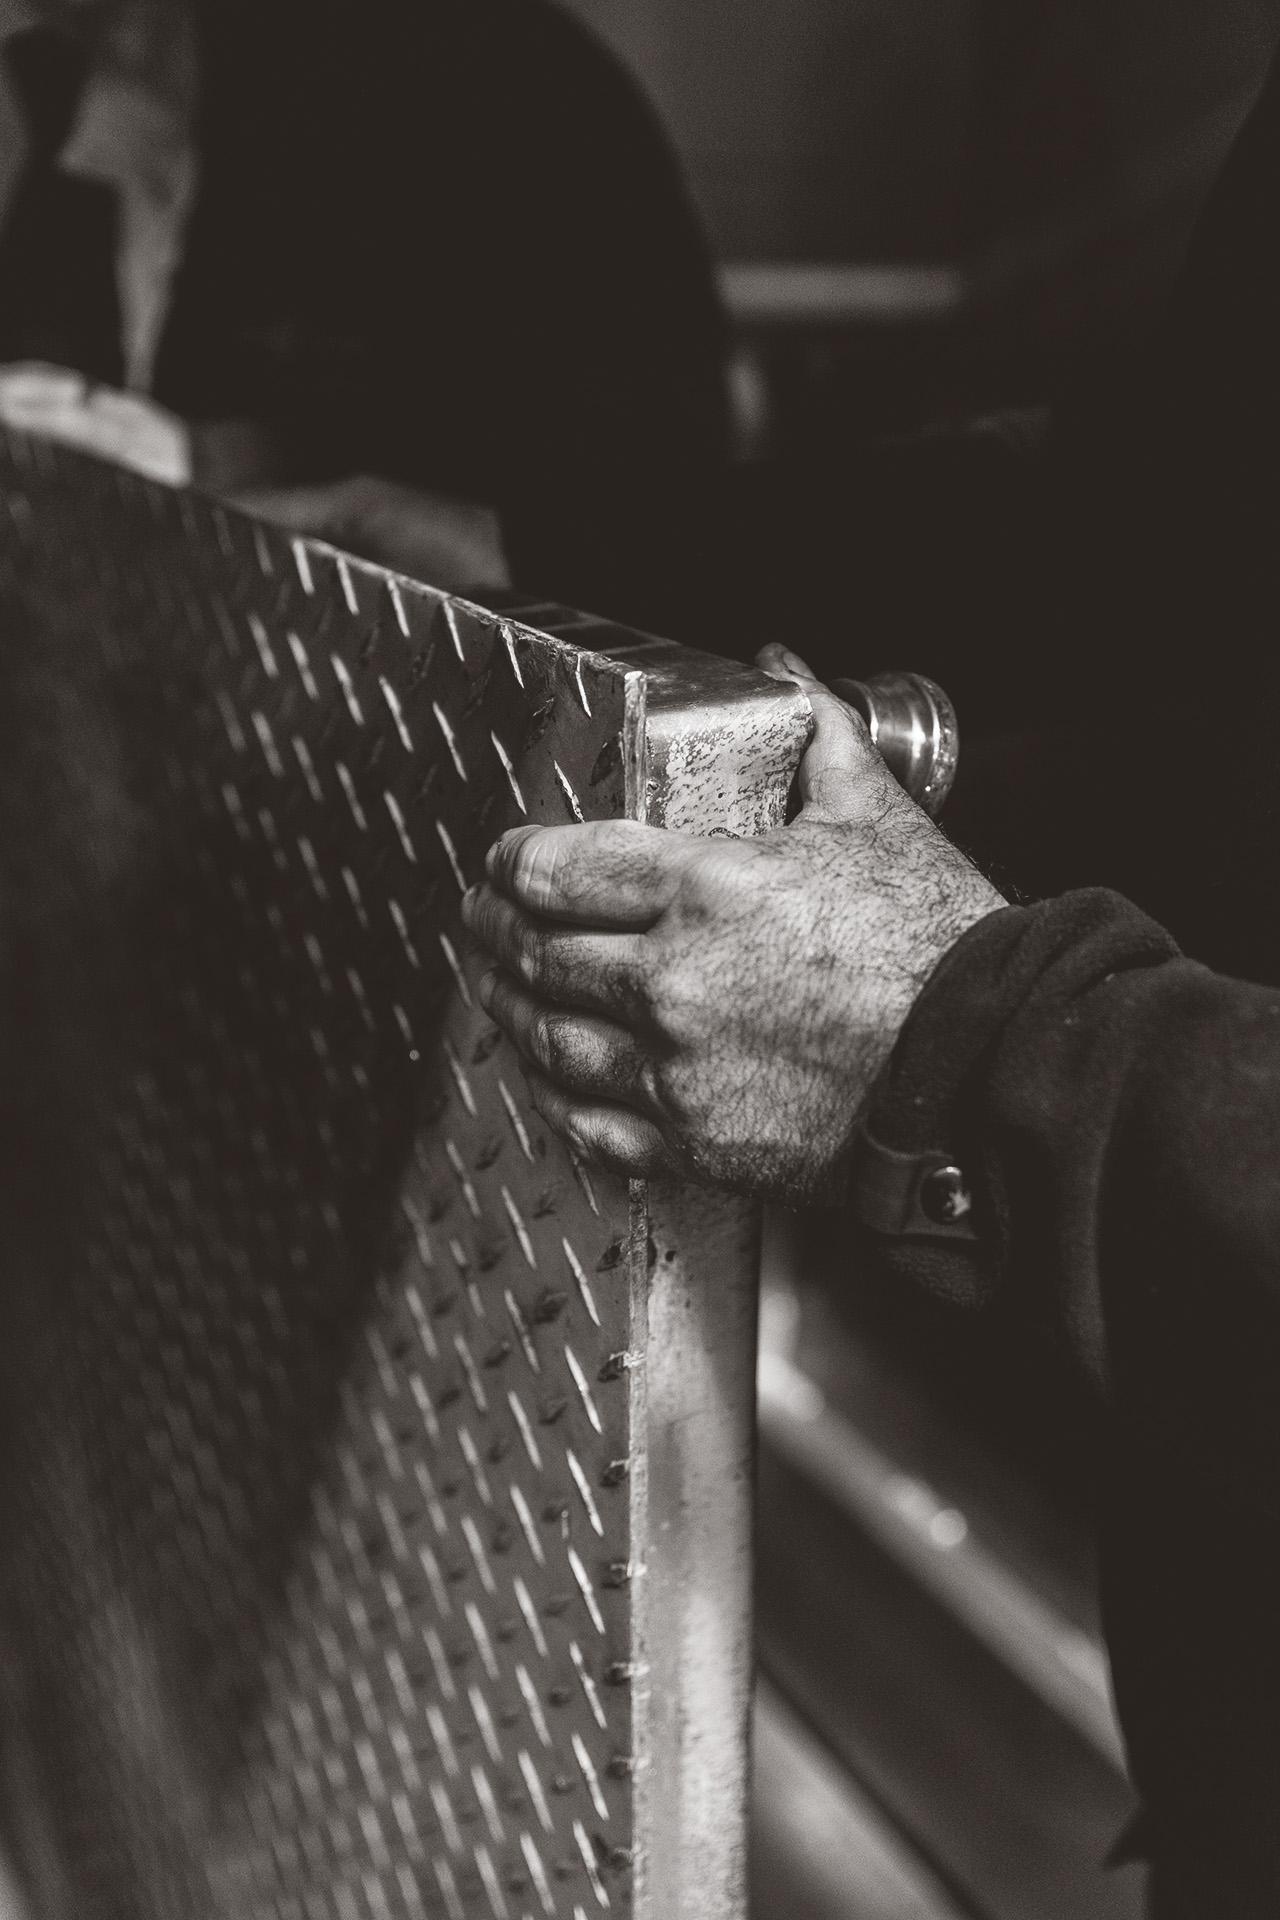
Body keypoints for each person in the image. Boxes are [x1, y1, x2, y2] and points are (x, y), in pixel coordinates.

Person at [0, 0, 728, 625]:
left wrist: (211, 456)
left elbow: (622, 468)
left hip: (488, 650)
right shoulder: (70, 84)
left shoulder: (486, 79)